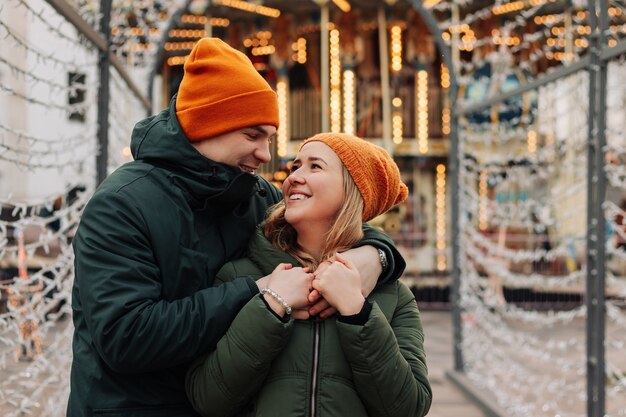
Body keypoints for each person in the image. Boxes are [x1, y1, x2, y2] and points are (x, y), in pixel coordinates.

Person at [67, 38, 405, 416]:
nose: (265, 154)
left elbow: (331, 216)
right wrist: (260, 293)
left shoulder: (253, 195)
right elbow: (125, 337)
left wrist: (375, 255)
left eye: (269, 139)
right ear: (208, 123)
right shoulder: (121, 204)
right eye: (252, 135)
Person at [186, 133, 432, 417]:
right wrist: (271, 307)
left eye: (315, 166)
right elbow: (208, 399)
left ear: (353, 190)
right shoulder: (239, 276)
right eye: (295, 167)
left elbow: (409, 407)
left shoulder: (395, 297)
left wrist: (357, 312)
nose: (292, 178)